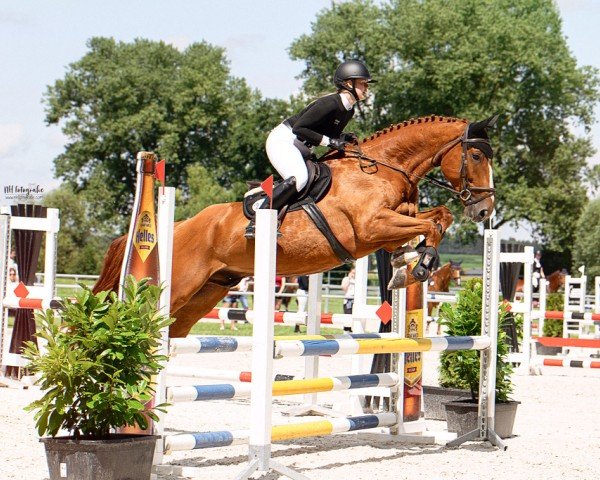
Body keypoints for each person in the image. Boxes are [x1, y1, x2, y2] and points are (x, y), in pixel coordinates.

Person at [245, 60, 375, 238]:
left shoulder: (348, 110)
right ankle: (258, 220)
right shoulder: (329, 103)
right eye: (362, 83)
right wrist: (330, 142)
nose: (366, 87)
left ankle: (273, 194)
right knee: (300, 178)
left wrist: (342, 138)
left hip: (302, 147)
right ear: (348, 83)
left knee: (318, 177)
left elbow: (328, 133)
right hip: (284, 141)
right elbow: (300, 128)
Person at [341, 267, 356, 332]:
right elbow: (344, 288)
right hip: (348, 300)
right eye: (353, 273)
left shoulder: (358, 280)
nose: (354, 274)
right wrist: (349, 279)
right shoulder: (346, 279)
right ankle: (346, 331)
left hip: (355, 300)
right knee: (348, 316)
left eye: (355, 273)